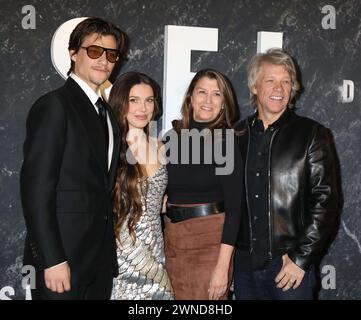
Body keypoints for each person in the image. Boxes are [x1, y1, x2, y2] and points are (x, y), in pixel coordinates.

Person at [20, 17, 128, 299]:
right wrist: (52, 258)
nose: (103, 61)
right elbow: (36, 189)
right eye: (94, 51)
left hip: (98, 263)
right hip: (61, 261)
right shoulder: (55, 106)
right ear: (73, 53)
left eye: (111, 54)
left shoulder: (108, 116)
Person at [233, 48, 340, 300]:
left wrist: (300, 259)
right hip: (244, 270)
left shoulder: (312, 134)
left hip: (288, 269)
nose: (279, 88)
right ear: (255, 87)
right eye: (270, 80)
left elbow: (327, 202)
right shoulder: (236, 136)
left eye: (286, 81)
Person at [163, 68, 243, 300]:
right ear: (190, 97)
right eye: (202, 92)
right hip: (173, 241)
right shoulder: (171, 137)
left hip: (210, 244)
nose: (208, 100)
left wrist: (222, 267)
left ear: (224, 103)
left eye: (216, 94)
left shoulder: (225, 141)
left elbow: (235, 210)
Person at [108, 71, 174, 300]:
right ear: (120, 102)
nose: (142, 108)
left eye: (149, 100)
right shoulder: (108, 146)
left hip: (154, 251)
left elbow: (154, 197)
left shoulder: (159, 146)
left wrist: (161, 203)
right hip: (121, 254)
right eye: (133, 100)